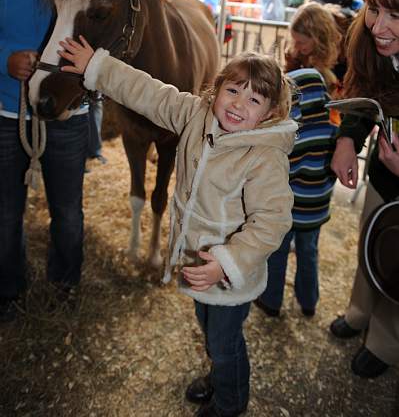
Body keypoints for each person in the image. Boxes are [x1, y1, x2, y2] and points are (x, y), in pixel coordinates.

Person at [58, 40, 297, 417]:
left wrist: (227, 262)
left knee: (225, 341)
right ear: (215, 88)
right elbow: (148, 92)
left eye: (254, 100)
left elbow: (273, 222)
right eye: (232, 90)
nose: (237, 104)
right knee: (207, 326)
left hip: (230, 275)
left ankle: (231, 401)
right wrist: (98, 67)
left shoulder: (264, 156)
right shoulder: (195, 116)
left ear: (270, 113)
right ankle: (219, 377)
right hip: (198, 264)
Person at [0, 0, 89, 323]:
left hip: (66, 114)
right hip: (5, 110)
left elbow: (101, 33)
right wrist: (5, 60)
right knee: (4, 213)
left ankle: (65, 283)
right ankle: (9, 288)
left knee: (68, 212)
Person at [329, 0, 399, 379]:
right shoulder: (379, 51)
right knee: (370, 245)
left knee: (398, 265)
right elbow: (369, 97)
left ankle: (385, 342)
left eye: (396, 16)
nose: (379, 26)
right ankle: (359, 312)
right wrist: (346, 140)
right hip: (383, 177)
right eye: (374, 10)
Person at [255, 3, 339, 318]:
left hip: (293, 190)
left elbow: (288, 137)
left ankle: (271, 300)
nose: (295, 47)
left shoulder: (298, 81)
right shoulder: (331, 81)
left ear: (314, 41)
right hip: (318, 192)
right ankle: (309, 301)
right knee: (309, 249)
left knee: (278, 248)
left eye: (300, 42)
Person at [61, 0, 107, 167]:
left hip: (93, 35)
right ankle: (79, 153)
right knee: (72, 92)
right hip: (68, 32)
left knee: (95, 96)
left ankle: (94, 149)